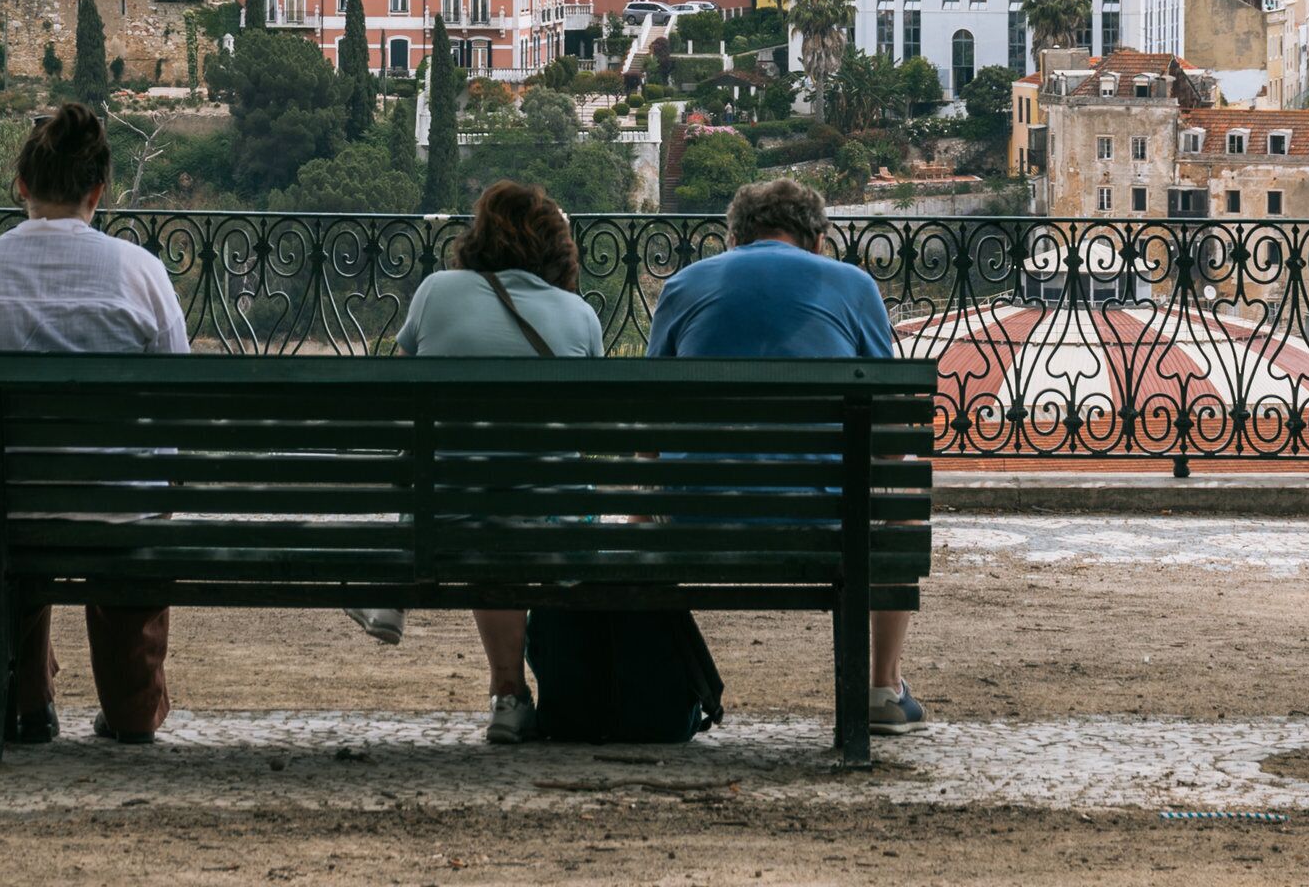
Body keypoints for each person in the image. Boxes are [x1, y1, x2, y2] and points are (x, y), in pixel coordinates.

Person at [0, 104, 186, 743]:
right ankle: (133, 708)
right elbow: (178, 406)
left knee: (10, 513)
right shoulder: (140, 273)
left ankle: (23, 701)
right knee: (128, 509)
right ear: (98, 192)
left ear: (21, 187)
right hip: (115, 513)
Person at [642, 176, 920, 732]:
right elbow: (893, 415)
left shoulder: (684, 284)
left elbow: (650, 418)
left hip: (695, 519)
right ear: (816, 240)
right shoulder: (854, 285)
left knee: (645, 492)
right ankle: (883, 689)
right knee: (907, 493)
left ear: (735, 239)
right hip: (826, 519)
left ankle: (642, 680)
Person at [357, 182, 605, 742]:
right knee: (515, 509)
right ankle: (521, 695)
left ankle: (398, 584)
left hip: (446, 519)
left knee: (471, 498)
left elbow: (401, 402)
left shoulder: (436, 292)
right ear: (557, 249)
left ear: (480, 238)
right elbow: (588, 427)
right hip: (557, 526)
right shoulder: (579, 315)